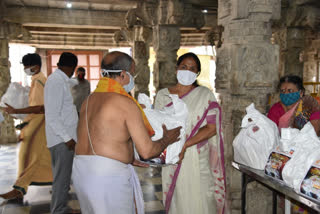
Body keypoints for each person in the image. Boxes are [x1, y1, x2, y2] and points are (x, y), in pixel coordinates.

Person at [72, 51, 181, 214]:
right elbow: (148, 151)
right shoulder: (124, 103)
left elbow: (102, 137)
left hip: (82, 172)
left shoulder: (89, 100)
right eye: (132, 73)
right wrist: (167, 139)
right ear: (123, 75)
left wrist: (128, 156)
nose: (132, 78)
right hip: (108, 177)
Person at [154, 52, 226, 214]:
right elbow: (157, 127)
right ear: (176, 69)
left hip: (196, 156)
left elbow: (212, 127)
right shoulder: (163, 95)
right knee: (177, 201)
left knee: (200, 200)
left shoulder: (204, 95)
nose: (187, 71)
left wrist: (185, 144)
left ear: (197, 73)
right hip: (172, 157)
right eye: (184, 67)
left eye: (192, 69)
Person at [0, 53, 52, 200]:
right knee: (40, 158)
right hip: (35, 122)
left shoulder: (40, 81)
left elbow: (41, 108)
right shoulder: (37, 80)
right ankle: (60, 181)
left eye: (27, 66)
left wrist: (16, 111)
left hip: (39, 123)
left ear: (35, 67)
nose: (25, 69)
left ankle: (19, 189)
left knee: (28, 156)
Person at [44, 52, 80, 214]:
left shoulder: (60, 80)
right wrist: (67, 139)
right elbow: (52, 116)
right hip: (61, 140)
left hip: (64, 138)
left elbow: (72, 82)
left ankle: (61, 208)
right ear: (72, 67)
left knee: (64, 177)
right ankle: (58, 210)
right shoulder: (55, 82)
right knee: (62, 178)